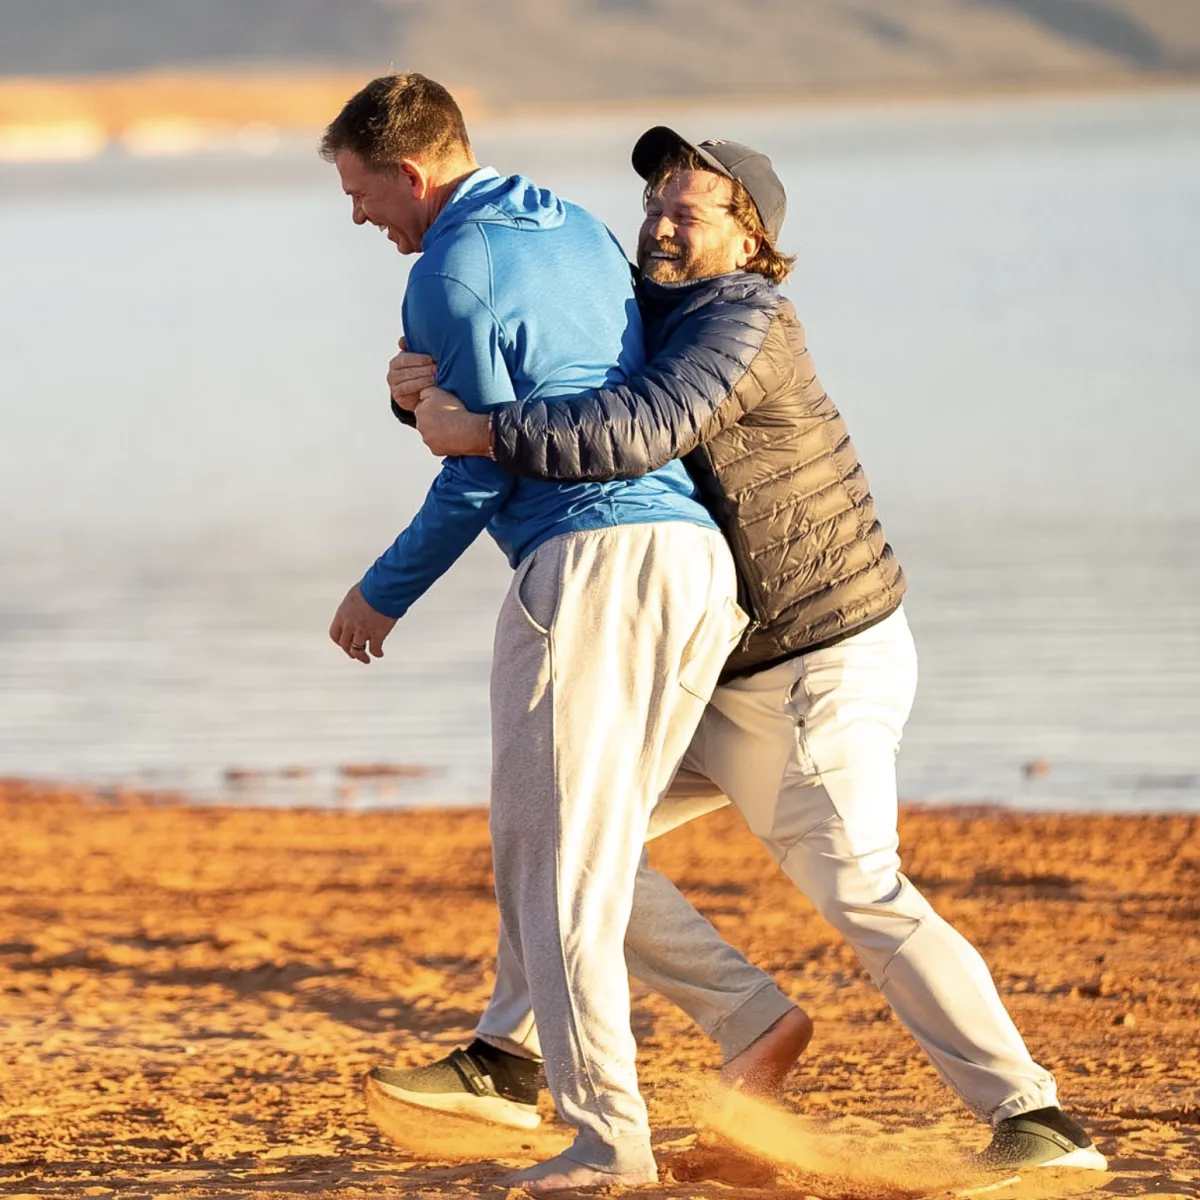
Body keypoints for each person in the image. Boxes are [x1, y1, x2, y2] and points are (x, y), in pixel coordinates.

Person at [380, 126, 1107, 1177]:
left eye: (687, 211)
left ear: (752, 238)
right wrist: (416, 389)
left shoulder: (748, 321)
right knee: (566, 840)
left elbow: (637, 429)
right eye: (653, 206)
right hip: (717, 664)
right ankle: (555, 1051)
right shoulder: (644, 310)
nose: (659, 226)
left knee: (862, 891)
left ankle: (1036, 1119)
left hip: (818, 660)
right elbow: (539, 362)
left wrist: (478, 431)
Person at [320, 77, 751, 1193]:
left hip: (590, 570)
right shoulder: (572, 224)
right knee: (576, 853)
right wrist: (414, 400)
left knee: (553, 866)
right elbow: (542, 388)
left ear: (410, 173)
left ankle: (608, 1143)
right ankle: (730, 1020)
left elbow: (477, 467)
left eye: (361, 193)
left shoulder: (446, 270)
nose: (359, 216)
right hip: (694, 562)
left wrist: (381, 592)